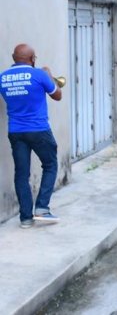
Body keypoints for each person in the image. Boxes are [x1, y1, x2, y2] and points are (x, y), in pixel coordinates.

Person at [0, 44, 62, 228]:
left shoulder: (2, 77)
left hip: (15, 131)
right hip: (39, 129)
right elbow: (57, 95)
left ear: (13, 57)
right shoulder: (40, 75)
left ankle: (25, 218)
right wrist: (49, 75)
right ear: (33, 59)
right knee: (50, 164)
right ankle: (42, 208)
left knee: (21, 174)